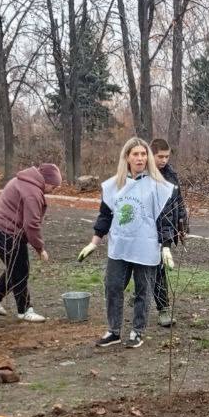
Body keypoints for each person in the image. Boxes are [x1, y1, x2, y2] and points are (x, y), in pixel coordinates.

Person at [78, 136, 180, 349]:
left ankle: (137, 331)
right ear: (127, 157)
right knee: (113, 286)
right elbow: (105, 216)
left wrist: (166, 246)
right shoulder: (114, 186)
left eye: (143, 154)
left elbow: (165, 219)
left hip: (146, 246)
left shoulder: (158, 186)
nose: (140, 158)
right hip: (120, 246)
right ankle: (113, 331)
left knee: (144, 290)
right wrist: (94, 242)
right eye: (136, 154)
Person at [0, 162, 61, 323]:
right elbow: (31, 224)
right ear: (46, 181)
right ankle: (24, 310)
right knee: (19, 269)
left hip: (3, 229)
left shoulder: (25, 181)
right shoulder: (32, 192)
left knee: (17, 268)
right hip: (4, 231)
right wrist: (40, 249)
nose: (53, 190)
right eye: (54, 186)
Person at [149, 137, 190, 327]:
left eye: (166, 156)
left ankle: (163, 309)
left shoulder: (171, 174)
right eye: (160, 157)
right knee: (150, 269)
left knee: (160, 269)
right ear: (151, 155)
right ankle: (150, 297)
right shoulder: (145, 176)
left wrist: (183, 226)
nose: (164, 160)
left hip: (167, 231)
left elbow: (178, 201)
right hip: (149, 231)